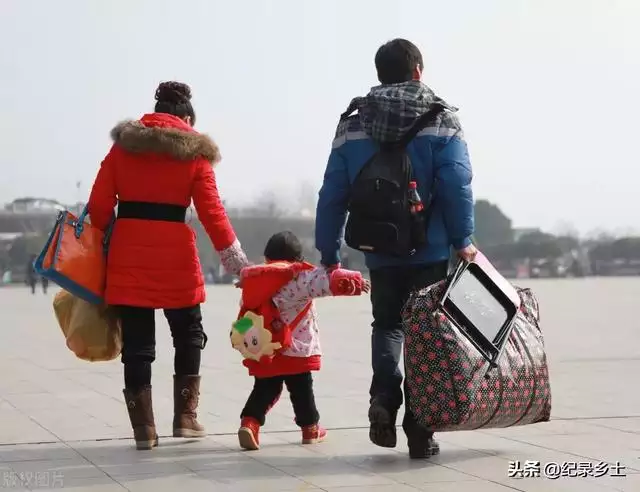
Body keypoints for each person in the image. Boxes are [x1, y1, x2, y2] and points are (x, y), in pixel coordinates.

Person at [315, 39, 476, 459]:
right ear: (418, 71)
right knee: (426, 337)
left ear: (380, 73)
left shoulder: (353, 123)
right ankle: (420, 433)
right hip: (431, 248)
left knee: (387, 325)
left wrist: (329, 252)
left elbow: (332, 192)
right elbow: (458, 184)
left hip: (380, 248)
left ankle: (383, 399)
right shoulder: (441, 120)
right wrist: (463, 240)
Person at [88, 81, 250, 450]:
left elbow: (98, 208)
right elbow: (212, 213)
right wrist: (238, 264)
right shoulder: (195, 154)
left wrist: (99, 242)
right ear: (188, 118)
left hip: (128, 255)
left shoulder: (122, 148)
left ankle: (144, 429)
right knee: (188, 332)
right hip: (176, 256)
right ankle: (186, 418)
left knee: (138, 344)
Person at [234, 231, 369, 450]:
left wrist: (238, 336)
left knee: (264, 389)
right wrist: (355, 281)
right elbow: (327, 280)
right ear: (297, 258)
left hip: (267, 349)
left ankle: (250, 423)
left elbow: (246, 312)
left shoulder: (254, 280)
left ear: (267, 257)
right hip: (298, 349)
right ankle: (310, 429)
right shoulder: (299, 277)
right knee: (302, 390)